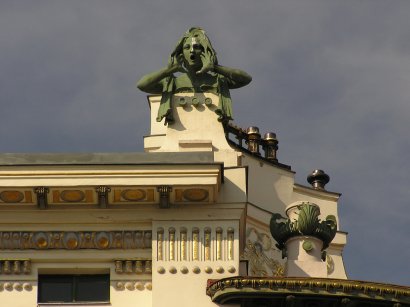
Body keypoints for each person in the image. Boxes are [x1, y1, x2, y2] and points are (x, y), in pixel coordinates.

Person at [137, 27, 252, 124]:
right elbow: (142, 85)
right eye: (187, 47)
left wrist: (215, 68)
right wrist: (168, 70)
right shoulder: (173, 83)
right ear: (181, 54)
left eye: (197, 47)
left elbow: (245, 79)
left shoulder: (218, 81)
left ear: (205, 52)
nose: (192, 51)